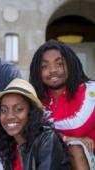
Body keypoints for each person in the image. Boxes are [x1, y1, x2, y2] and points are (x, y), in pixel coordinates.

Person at [29, 39, 95, 170]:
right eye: (44, 66)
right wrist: (64, 137)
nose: (52, 70)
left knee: (75, 146)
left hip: (90, 158)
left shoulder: (90, 89)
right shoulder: (37, 100)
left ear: (70, 64)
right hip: (52, 159)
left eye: (59, 64)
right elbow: (30, 129)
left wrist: (43, 126)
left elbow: (78, 126)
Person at [0, 78, 72, 170]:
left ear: (31, 112)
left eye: (18, 109)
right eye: (4, 110)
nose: (9, 116)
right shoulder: (7, 145)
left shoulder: (47, 139)